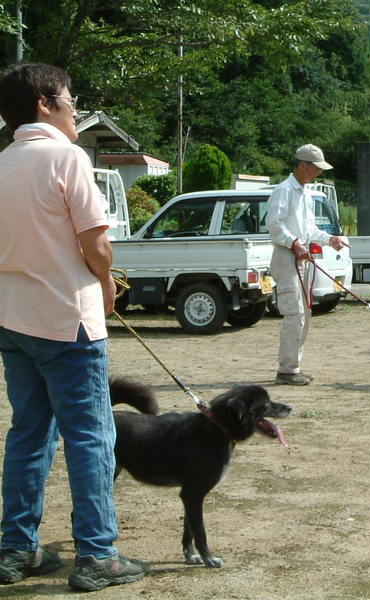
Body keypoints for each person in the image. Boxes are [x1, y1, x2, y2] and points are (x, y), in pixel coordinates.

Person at [0, 63, 145, 591]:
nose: (74, 107)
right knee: (91, 436)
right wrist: (106, 282)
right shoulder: (67, 157)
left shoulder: (3, 163)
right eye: (70, 97)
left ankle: (16, 549)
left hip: (12, 319)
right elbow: (96, 244)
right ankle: (97, 555)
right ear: (44, 101)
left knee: (29, 433)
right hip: (66, 319)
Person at [265, 144, 345, 386]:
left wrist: (330, 239)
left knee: (306, 313)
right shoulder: (284, 191)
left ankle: (293, 366)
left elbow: (309, 229)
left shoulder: (305, 192)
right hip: (287, 257)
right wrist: (294, 243)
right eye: (316, 168)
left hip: (301, 256)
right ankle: (287, 370)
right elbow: (274, 225)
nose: (319, 173)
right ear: (303, 165)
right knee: (295, 313)